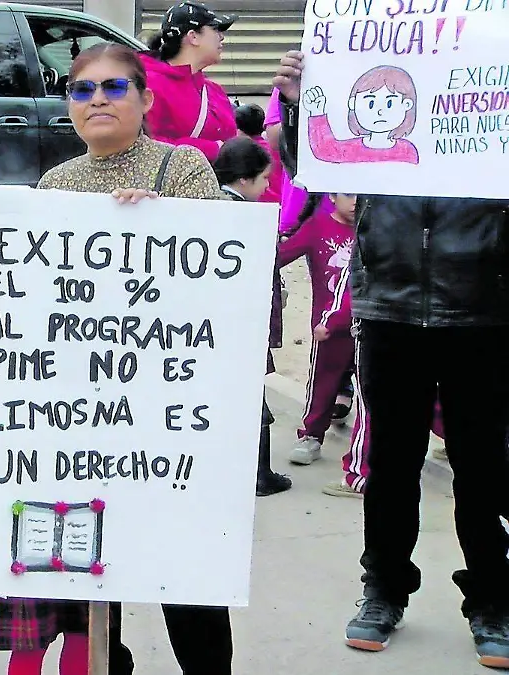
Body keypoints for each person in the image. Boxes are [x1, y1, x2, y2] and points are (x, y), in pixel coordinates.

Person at [0, 42, 233, 675]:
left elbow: (222, 268)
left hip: (166, 412)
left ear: (145, 98)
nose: (98, 100)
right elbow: (34, 308)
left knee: (183, 574)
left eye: (114, 87)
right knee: (92, 576)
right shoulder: (56, 184)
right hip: (83, 417)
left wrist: (164, 221)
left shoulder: (181, 168)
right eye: (83, 90)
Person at [274, 49, 509, 668]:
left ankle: (492, 598)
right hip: (390, 304)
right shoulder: (390, 62)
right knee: (392, 464)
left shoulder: (489, 70)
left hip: (482, 306)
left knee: (483, 469)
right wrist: (300, 106)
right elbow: (313, 170)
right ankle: (384, 588)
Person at [212, 136, 291, 497]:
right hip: (241, 325)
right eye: (263, 179)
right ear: (244, 179)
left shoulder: (208, 207)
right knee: (252, 400)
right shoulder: (244, 217)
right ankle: (260, 474)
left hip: (219, 324)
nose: (267, 186)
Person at [275, 192, 357, 467]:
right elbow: (281, 255)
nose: (355, 201)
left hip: (369, 322)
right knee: (323, 382)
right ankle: (311, 435)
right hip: (328, 326)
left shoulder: (375, 229)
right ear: (332, 195)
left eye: (361, 194)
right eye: (348, 194)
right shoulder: (318, 226)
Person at [141, 0, 238, 163]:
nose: (222, 37)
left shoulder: (215, 90)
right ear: (193, 37)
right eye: (215, 29)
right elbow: (148, 144)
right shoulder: (150, 84)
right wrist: (215, 149)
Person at [233, 103, 281, 203]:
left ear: (239, 130)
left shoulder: (242, 153)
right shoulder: (276, 148)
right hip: (280, 200)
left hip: (259, 203)